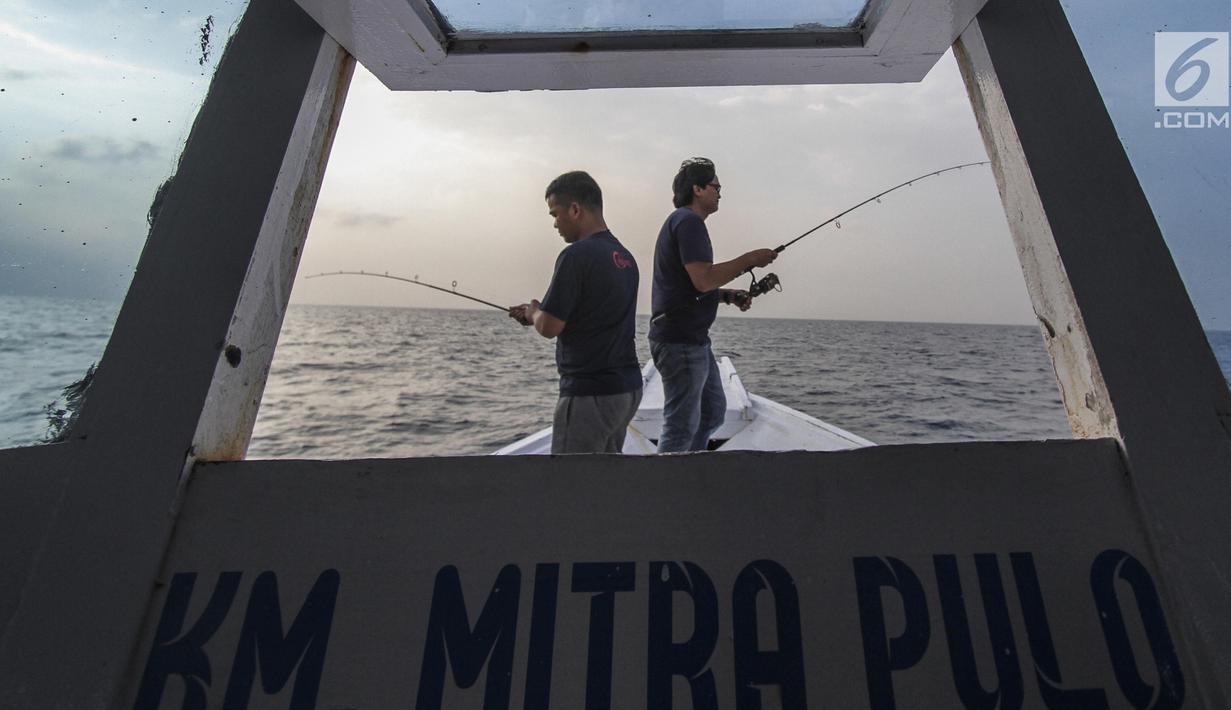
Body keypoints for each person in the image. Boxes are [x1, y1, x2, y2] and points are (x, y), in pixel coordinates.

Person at [649, 157, 777, 453]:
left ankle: (689, 469)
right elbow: (704, 280)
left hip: (692, 340)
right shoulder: (688, 222)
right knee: (680, 425)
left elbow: (690, 284)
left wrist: (727, 295)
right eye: (715, 186)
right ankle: (665, 489)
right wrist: (750, 260)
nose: (720, 191)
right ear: (697, 189)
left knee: (712, 412)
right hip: (679, 342)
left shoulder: (683, 222)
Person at [510, 171, 643, 454]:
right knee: (604, 481)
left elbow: (549, 327)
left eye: (555, 214)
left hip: (590, 395)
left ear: (575, 209)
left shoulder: (576, 256)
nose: (555, 223)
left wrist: (533, 313)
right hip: (627, 390)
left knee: (571, 488)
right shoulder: (625, 258)